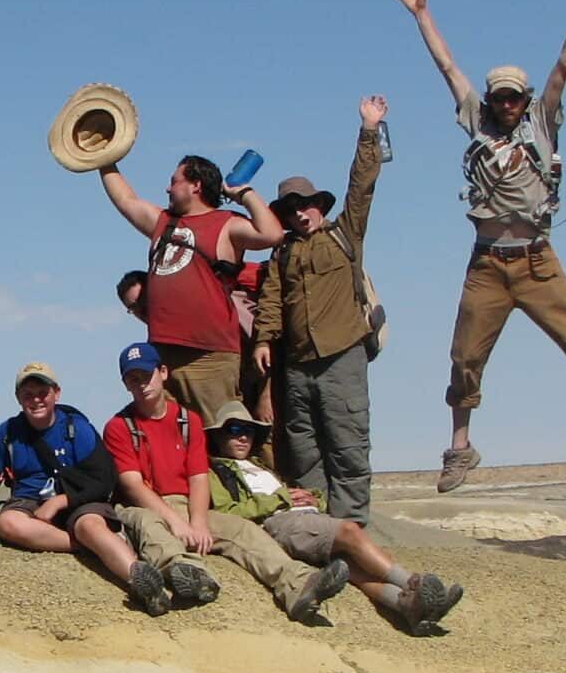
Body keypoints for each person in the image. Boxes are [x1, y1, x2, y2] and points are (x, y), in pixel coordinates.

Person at [391, 0, 566, 489]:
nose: (507, 106)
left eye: (515, 98)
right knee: (465, 357)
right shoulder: (476, 118)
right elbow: (447, 67)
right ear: (489, 101)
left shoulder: (543, 119)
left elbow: (565, 64)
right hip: (487, 262)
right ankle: (460, 449)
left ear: (526, 99)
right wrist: (421, 14)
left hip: (536, 259)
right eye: (500, 99)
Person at [104, 342, 348, 623]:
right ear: (125, 384)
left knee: (242, 530)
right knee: (149, 525)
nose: (141, 385)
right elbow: (134, 486)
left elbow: (198, 477)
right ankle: (188, 573)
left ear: (163, 372)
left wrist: (197, 521)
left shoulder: (188, 421)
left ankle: (298, 584)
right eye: (132, 379)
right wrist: (176, 522)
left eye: (146, 375)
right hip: (143, 506)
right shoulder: (119, 427)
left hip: (186, 504)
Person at [0, 360, 172, 615]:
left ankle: (140, 581)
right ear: (18, 398)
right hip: (29, 502)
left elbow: (104, 478)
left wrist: (61, 501)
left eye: (42, 393)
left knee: (90, 525)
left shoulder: (76, 427)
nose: (36, 400)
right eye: (28, 394)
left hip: (80, 498)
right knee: (7, 523)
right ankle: (89, 545)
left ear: (56, 394)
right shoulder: (6, 434)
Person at [202, 406, 465, 635]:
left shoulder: (259, 464)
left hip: (302, 518)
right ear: (217, 435)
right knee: (349, 531)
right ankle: (415, 586)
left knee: (352, 566)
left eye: (248, 430)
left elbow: (292, 494)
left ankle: (405, 606)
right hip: (279, 523)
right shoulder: (216, 470)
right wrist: (280, 499)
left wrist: (314, 500)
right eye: (234, 429)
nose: (242, 436)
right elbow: (230, 512)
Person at [253, 97, 388, 522]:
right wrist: (262, 340)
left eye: (305, 204)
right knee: (304, 448)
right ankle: (316, 529)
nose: (299, 213)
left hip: (342, 355)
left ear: (319, 205)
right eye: (291, 209)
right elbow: (271, 299)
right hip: (296, 365)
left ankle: (351, 531)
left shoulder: (345, 234)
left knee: (347, 444)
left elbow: (362, 185)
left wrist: (368, 130)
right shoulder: (281, 254)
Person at [97, 155, 283, 417]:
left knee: (219, 439)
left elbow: (272, 234)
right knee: (172, 438)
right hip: (162, 355)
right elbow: (126, 201)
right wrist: (102, 160)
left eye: (174, 181)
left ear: (195, 185)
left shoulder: (227, 224)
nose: (167, 189)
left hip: (210, 355)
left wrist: (245, 193)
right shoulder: (163, 222)